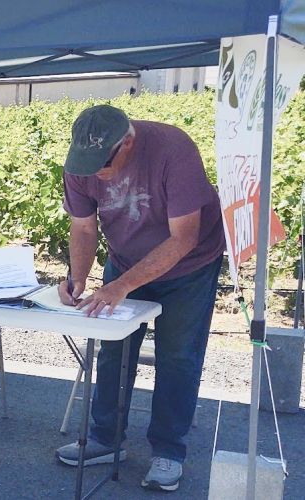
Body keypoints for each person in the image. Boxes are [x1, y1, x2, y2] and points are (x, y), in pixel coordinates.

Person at [54, 105, 224, 492]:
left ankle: (168, 451)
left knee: (178, 354)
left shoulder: (173, 149)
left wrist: (120, 285)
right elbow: (82, 226)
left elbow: (184, 238)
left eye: (103, 163)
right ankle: (105, 440)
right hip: (126, 259)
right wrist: (77, 278)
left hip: (189, 266)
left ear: (128, 141)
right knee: (114, 347)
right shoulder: (80, 164)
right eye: (86, 163)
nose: (95, 172)